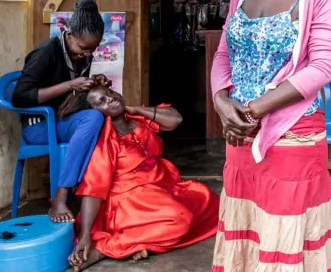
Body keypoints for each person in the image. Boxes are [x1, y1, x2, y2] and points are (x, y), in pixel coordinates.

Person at [209, 0, 331, 271]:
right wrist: (223, 105)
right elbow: (224, 55)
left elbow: (320, 69)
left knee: (286, 227)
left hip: (292, 132)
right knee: (249, 222)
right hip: (239, 132)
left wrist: (252, 111)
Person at [63, 84, 219, 271]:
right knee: (180, 220)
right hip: (131, 199)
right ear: (96, 113)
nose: (110, 99)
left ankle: (139, 244)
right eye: (102, 102)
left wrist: (136, 109)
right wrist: (86, 234)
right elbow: (94, 189)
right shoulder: (106, 140)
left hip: (162, 185)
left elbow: (175, 119)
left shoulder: (136, 117)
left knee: (207, 200)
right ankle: (104, 249)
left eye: (110, 93)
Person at [12, 0, 106, 222]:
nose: (87, 54)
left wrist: (92, 83)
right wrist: (69, 86)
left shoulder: (82, 54)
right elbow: (20, 97)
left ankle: (89, 194)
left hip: (60, 119)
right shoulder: (46, 52)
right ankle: (60, 197)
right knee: (93, 120)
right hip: (39, 126)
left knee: (99, 118)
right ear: (69, 34)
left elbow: (70, 96)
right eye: (83, 48)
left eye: (93, 49)